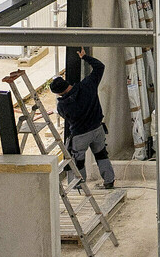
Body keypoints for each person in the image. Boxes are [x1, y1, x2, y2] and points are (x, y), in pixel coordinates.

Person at [49, 50, 114, 190]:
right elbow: (100, 67)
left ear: (59, 93)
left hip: (80, 135)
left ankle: (79, 187)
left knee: (78, 161)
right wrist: (85, 57)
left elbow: (65, 117)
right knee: (101, 155)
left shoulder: (62, 105)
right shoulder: (88, 85)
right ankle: (109, 181)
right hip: (97, 129)